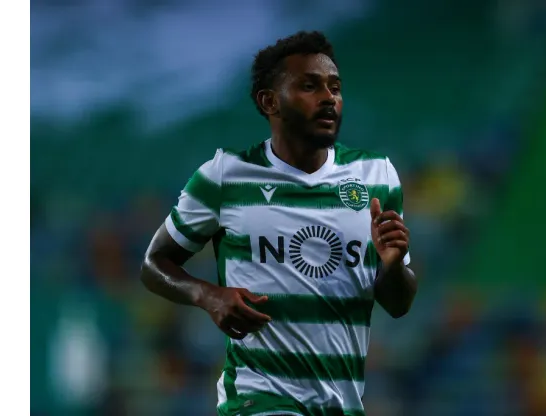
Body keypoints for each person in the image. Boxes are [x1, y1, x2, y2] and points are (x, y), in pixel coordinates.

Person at [140, 30, 417, 416]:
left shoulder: (376, 176)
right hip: (258, 399)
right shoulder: (226, 176)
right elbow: (154, 264)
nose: (328, 98)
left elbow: (398, 303)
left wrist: (391, 264)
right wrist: (209, 296)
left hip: (342, 404)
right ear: (270, 101)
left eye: (335, 88)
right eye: (309, 86)